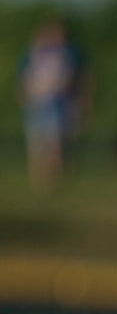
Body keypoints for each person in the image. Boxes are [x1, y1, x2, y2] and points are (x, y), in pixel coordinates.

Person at [16, 17, 89, 193]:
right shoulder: (32, 54)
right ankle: (40, 183)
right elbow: (23, 78)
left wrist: (82, 96)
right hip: (37, 104)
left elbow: (79, 75)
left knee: (56, 144)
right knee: (37, 145)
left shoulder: (67, 53)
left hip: (56, 103)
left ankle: (54, 181)